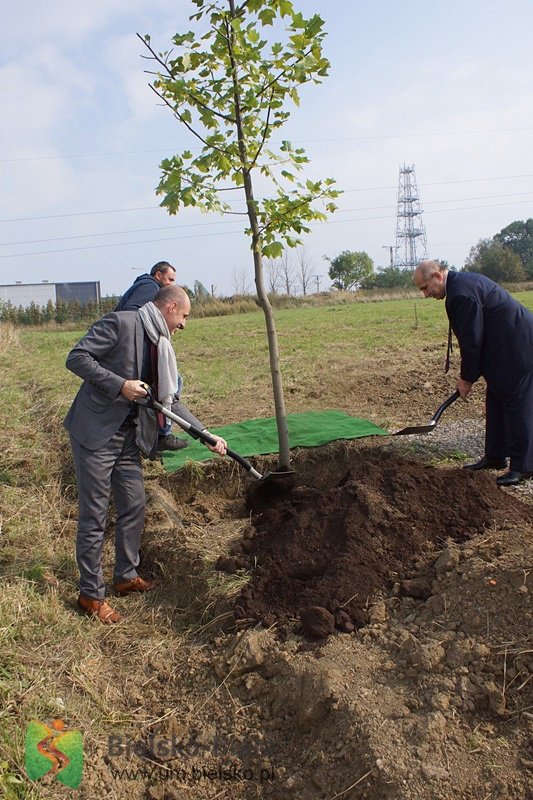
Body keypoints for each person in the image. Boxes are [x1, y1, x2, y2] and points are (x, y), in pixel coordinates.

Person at [64, 284, 227, 623]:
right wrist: (120, 384)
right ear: (170, 309)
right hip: (95, 432)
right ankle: (90, 596)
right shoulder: (121, 324)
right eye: (184, 316)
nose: (184, 324)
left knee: (134, 504)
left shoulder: (161, 347)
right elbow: (77, 358)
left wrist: (205, 434)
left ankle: (125, 575)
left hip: (127, 436)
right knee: (94, 515)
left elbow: (172, 401)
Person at [413, 260, 533, 486]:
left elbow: (472, 341)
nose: (425, 294)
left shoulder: (461, 294)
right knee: (496, 399)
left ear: (438, 277)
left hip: (518, 346)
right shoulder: (460, 286)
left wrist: (467, 378)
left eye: (425, 288)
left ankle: (524, 466)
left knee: (517, 403)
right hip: (502, 347)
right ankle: (496, 455)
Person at [116, 261, 186, 452]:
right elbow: (132, 313)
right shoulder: (150, 287)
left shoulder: (145, 285)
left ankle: (155, 431)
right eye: (169, 279)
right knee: (170, 383)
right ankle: (162, 434)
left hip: (133, 348)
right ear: (158, 275)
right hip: (133, 350)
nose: (171, 284)